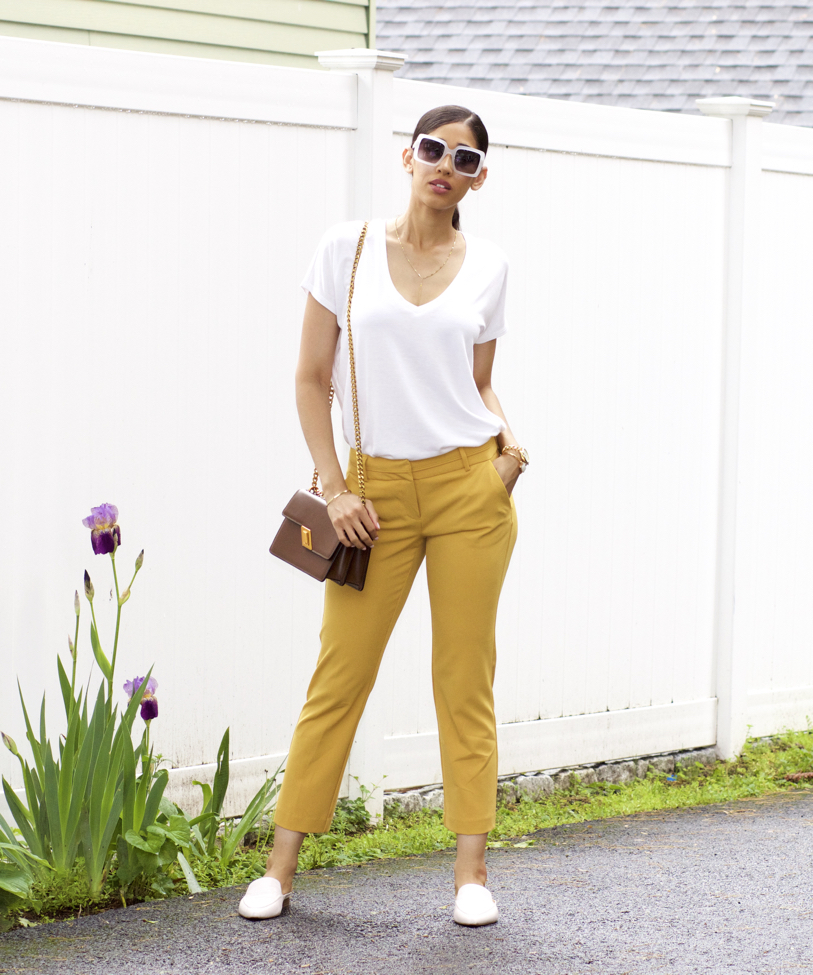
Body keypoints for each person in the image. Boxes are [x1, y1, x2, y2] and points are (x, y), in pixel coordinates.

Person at [239, 105, 529, 927]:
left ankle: (470, 873)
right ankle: (280, 868)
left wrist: (510, 452)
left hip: (470, 489)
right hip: (369, 496)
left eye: (464, 157)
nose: (445, 164)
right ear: (407, 156)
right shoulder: (347, 248)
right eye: (433, 149)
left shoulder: (490, 265)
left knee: (464, 676)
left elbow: (476, 384)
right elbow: (309, 377)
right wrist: (335, 488)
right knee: (340, 674)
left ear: (479, 176)